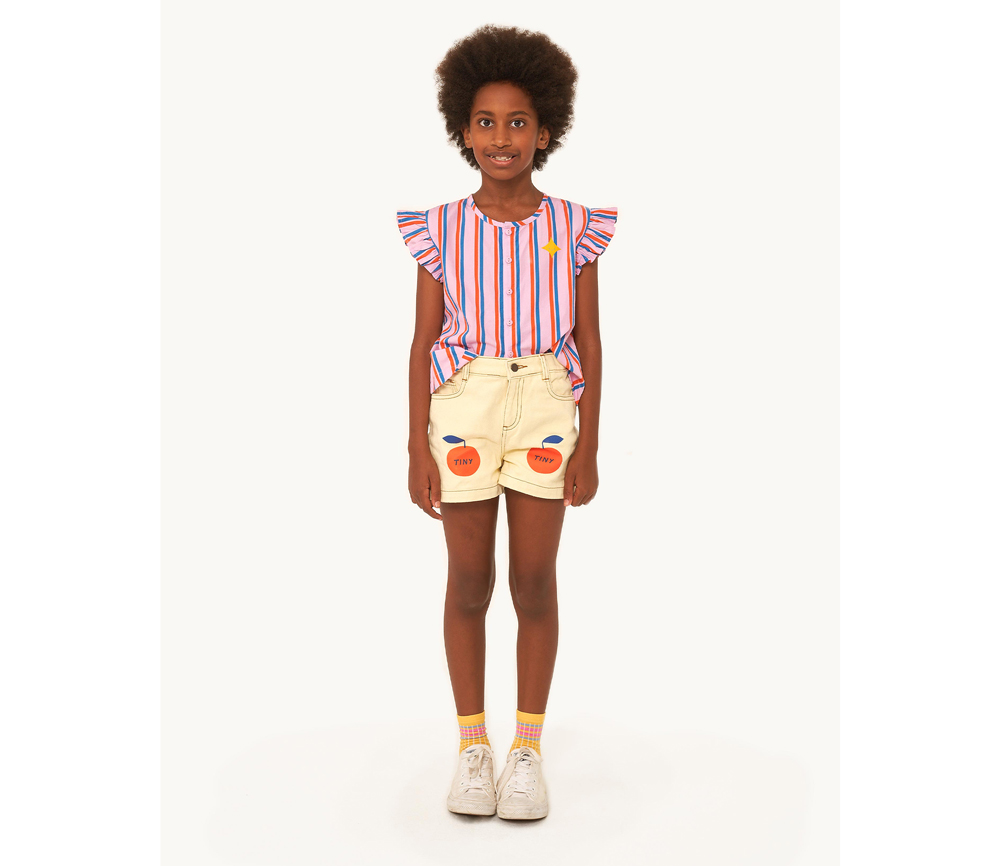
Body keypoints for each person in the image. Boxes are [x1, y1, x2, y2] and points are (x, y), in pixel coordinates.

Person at [395, 24, 617, 820]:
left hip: (548, 405)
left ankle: (526, 750)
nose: (501, 137)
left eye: (517, 122)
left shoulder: (574, 227)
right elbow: (423, 340)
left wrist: (590, 443)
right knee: (468, 582)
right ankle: (472, 748)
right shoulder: (440, 229)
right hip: (464, 405)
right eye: (485, 122)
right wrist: (415, 445)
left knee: (532, 580)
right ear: (463, 130)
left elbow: (590, 338)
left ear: (545, 131)